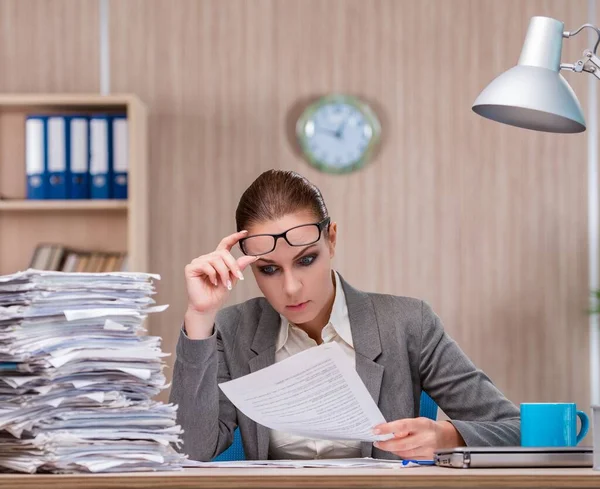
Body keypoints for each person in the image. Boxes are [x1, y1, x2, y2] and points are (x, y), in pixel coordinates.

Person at [170, 169, 520, 462]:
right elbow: (189, 452)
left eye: (307, 260)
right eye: (269, 270)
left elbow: (515, 430)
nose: (291, 288)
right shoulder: (231, 331)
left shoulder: (409, 322)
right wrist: (200, 317)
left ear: (332, 240)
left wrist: (449, 436)